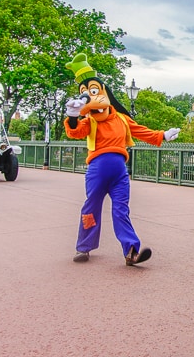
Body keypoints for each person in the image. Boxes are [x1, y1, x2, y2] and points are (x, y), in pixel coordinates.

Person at [63, 53, 180, 266]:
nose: (88, 97)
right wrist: (72, 117)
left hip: (119, 173)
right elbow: (75, 132)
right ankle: (84, 247)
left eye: (93, 91)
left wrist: (162, 135)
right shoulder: (89, 121)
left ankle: (131, 251)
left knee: (121, 210)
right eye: (84, 94)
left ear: (104, 93)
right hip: (97, 170)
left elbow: (141, 131)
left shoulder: (122, 119)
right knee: (91, 208)